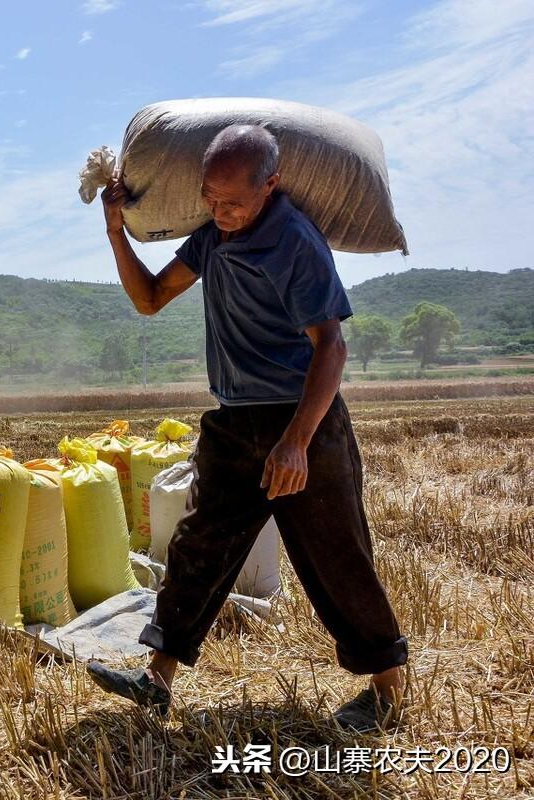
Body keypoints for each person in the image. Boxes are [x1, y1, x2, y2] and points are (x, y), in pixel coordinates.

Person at [85, 124, 408, 732]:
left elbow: (331, 347)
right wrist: (114, 234)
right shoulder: (211, 240)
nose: (220, 210)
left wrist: (297, 441)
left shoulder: (294, 241)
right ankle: (156, 677)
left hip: (302, 420)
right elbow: (151, 298)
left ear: (271, 186)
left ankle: (389, 689)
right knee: (200, 545)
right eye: (211, 197)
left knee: (336, 555)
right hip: (234, 423)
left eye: (233, 200)